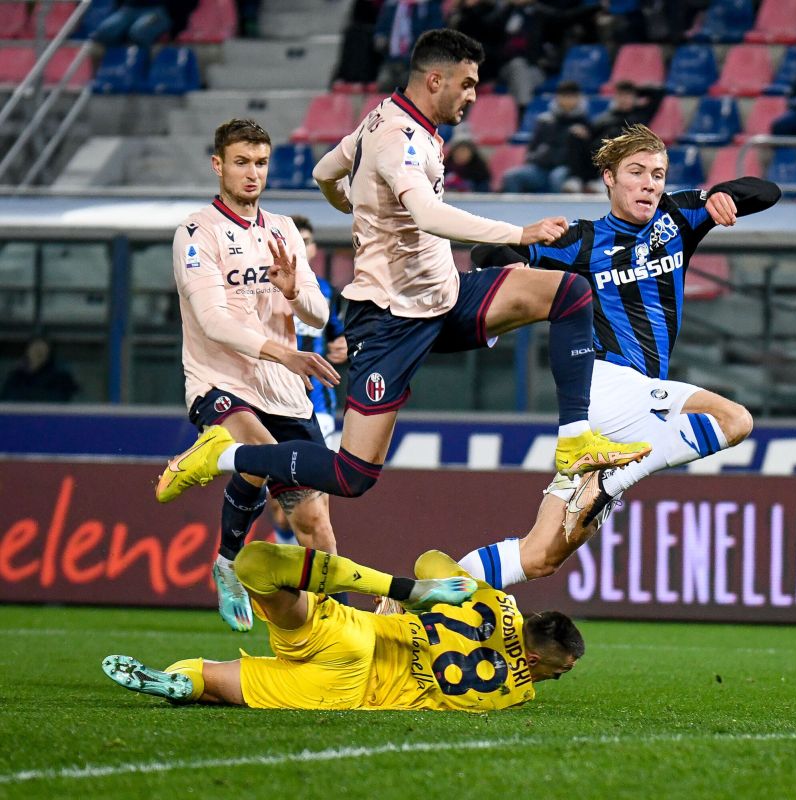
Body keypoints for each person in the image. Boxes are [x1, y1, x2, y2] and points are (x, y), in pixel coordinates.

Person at [155, 31, 650, 511]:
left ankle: (574, 439)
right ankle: (224, 455)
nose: (474, 96)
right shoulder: (398, 137)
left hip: (446, 297)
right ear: (435, 80)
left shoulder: (381, 120)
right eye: (468, 83)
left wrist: (354, 205)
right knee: (352, 476)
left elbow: (324, 171)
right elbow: (430, 217)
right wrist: (520, 234)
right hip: (389, 319)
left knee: (570, 294)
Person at [457, 124, 780, 589]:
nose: (649, 183)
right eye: (636, 172)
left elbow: (766, 191)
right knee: (734, 421)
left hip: (625, 407)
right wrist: (508, 264)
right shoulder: (580, 241)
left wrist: (723, 194)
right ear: (608, 178)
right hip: (607, 383)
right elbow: (487, 249)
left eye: (658, 174)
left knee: (538, 556)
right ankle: (610, 481)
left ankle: (414, 598)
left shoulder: (679, 216)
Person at [169, 118, 343, 633]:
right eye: (241, 162)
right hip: (220, 382)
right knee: (259, 447)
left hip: (286, 394)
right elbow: (212, 321)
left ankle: (326, 634)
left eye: (261, 163)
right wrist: (284, 354)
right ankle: (227, 562)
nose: (252, 173)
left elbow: (316, 313)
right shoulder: (197, 233)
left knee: (317, 529)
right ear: (218, 165)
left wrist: (293, 290)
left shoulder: (284, 230)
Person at [101, 541, 582, 711]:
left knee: (264, 572)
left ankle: (252, 576)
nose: (552, 680)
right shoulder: (516, 694)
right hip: (347, 691)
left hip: (355, 631)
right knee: (209, 681)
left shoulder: (495, 603)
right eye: (558, 673)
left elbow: (430, 559)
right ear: (536, 659)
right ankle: (182, 681)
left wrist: (465, 589)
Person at [266, 215, 348, 548]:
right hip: (274, 403)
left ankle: (312, 582)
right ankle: (286, 553)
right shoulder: (264, 287)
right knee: (280, 503)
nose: (304, 246)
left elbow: (340, 342)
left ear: (312, 249)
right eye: (296, 239)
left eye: (308, 241)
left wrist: (341, 348)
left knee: (317, 497)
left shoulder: (325, 293)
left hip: (319, 409)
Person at [501, 80, 595, 194]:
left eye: (572, 96)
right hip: (540, 167)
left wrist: (585, 139)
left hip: (566, 168)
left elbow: (589, 155)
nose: (568, 100)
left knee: (556, 178)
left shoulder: (585, 124)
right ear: (558, 97)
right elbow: (532, 147)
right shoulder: (544, 121)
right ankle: (513, 211)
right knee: (512, 177)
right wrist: (534, 158)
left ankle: (558, 212)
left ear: (579, 98)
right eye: (564, 96)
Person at [0, 336, 80, 403]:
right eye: (35, 351)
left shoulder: (60, 376)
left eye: (41, 353)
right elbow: (7, 398)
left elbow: (64, 398)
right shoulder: (16, 376)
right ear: (27, 352)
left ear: (48, 354)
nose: (37, 355)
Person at [91, 0, 198, 49]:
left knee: (139, 32)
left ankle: (135, 70)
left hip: (157, 11)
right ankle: (114, 71)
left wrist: (176, 24)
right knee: (106, 32)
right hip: (128, 9)